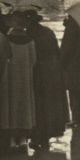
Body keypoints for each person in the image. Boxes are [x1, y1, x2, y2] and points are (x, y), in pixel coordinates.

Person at [0, 9, 36, 151]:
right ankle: (23, 139)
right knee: (24, 106)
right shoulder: (30, 42)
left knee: (10, 106)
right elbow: (33, 61)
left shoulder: (6, 40)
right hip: (25, 79)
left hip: (9, 79)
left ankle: (12, 140)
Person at [27, 10, 68, 150]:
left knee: (38, 104)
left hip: (38, 71)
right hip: (52, 71)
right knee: (50, 104)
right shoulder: (48, 32)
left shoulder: (29, 35)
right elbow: (56, 52)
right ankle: (47, 133)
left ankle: (38, 135)